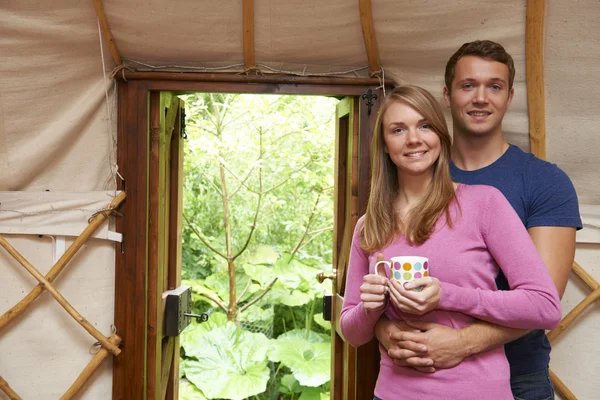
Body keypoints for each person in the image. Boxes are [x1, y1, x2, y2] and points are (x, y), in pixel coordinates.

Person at [374, 40, 582, 400]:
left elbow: (544, 300)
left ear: (510, 96)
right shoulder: (414, 165)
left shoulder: (544, 181)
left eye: (494, 87)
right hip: (413, 378)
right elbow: (375, 281)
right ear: (447, 93)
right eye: (468, 85)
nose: (481, 98)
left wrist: (462, 343)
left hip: (519, 377)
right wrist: (385, 332)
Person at [339, 85, 562, 400]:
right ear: (385, 146)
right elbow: (351, 332)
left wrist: (447, 296)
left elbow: (545, 307)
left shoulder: (484, 204)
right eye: (398, 129)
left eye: (425, 125)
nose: (414, 138)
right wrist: (370, 308)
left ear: (440, 138)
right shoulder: (369, 225)